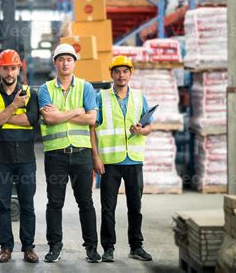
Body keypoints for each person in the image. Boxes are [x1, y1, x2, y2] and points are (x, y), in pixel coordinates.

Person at [38, 43, 101, 263]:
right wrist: (76, 111)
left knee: (86, 202)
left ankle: (91, 248)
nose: (65, 63)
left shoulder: (86, 87)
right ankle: (55, 246)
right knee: (54, 203)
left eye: (69, 59)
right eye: (61, 59)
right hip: (56, 154)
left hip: (81, 153)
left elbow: (92, 119)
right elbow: (49, 118)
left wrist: (62, 114)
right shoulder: (45, 89)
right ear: (55, 62)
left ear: (74, 63)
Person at [90, 55, 153, 262]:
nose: (121, 75)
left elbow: (149, 127)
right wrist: (96, 157)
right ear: (111, 75)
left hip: (133, 160)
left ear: (130, 74)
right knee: (108, 208)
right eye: (117, 71)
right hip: (110, 161)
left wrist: (141, 131)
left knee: (135, 207)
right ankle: (108, 248)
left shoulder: (139, 97)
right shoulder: (101, 97)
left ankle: (136, 246)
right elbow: (92, 127)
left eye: (125, 71)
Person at [0, 49, 39, 263]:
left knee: (27, 204)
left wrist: (3, 117)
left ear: (19, 69)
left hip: (25, 158)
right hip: (1, 159)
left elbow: (31, 120)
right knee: (2, 205)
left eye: (13, 68)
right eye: (5, 68)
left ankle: (29, 247)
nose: (9, 72)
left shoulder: (31, 94)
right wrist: (15, 107)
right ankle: (6, 247)